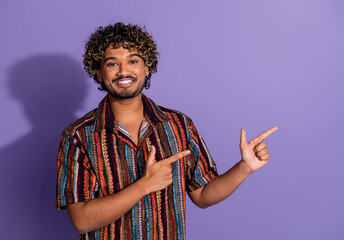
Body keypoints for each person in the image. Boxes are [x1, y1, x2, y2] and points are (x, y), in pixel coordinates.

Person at [56, 22, 278, 240]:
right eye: (112, 64)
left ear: (147, 67)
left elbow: (202, 194)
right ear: (98, 72)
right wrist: (144, 186)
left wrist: (244, 168)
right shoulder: (78, 136)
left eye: (133, 61)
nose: (124, 71)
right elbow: (81, 221)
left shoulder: (178, 125)